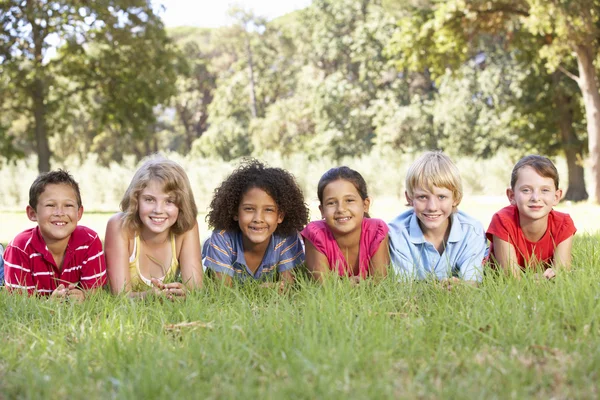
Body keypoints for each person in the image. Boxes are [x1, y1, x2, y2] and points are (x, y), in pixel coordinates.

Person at [105, 156, 203, 298]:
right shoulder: (120, 225)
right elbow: (120, 295)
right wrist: (150, 296)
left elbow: (195, 290)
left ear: (182, 204)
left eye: (169, 201)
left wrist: (183, 293)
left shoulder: (187, 227)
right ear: (136, 200)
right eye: (149, 200)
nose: (158, 209)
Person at [3, 170, 106, 299]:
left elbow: (95, 293)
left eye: (68, 205)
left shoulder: (89, 241)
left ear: (79, 213)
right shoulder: (19, 248)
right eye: (50, 205)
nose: (59, 212)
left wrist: (84, 297)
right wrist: (49, 304)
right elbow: (19, 303)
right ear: (32, 213)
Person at [203, 159, 308, 286]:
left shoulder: (286, 238)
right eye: (249, 209)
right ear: (235, 212)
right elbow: (223, 291)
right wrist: (263, 290)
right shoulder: (222, 238)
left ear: (280, 216)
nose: (258, 218)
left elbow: (288, 287)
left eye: (268, 210)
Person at [388, 151, 486, 283]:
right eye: (422, 197)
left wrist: (462, 287)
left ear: (456, 198)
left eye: (441, 197)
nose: (432, 207)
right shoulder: (396, 234)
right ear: (410, 198)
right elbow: (405, 288)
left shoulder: (472, 231)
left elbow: (472, 281)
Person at [486, 155, 576, 279]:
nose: (535, 198)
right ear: (512, 196)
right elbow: (510, 277)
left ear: (556, 197)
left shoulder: (563, 224)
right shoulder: (502, 221)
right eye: (526, 190)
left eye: (544, 190)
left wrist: (555, 275)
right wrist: (539, 280)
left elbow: (562, 273)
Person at [301, 166, 389, 281]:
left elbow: (379, 282)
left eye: (349, 200)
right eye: (331, 203)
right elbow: (321, 285)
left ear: (365, 205)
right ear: (322, 210)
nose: (341, 209)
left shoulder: (377, 231)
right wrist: (349, 284)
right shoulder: (316, 234)